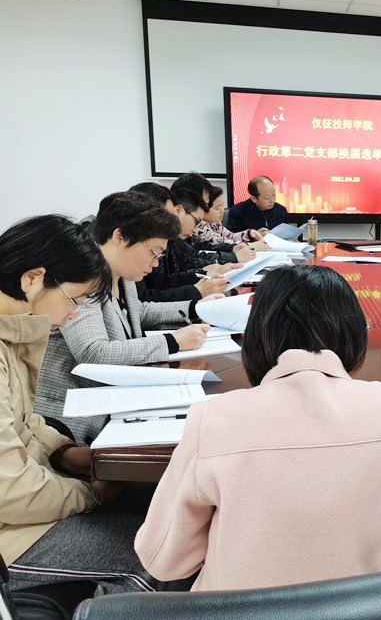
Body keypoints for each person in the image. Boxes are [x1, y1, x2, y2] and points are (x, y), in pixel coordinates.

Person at [135, 265, 381, 592]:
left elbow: (164, 561)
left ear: (256, 335)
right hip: (368, 604)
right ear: (354, 334)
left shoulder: (212, 420)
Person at [0, 215, 185, 599]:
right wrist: (93, 494)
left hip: (22, 504)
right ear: (32, 279)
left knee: (166, 505)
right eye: (75, 300)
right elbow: (10, 489)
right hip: (10, 532)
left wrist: (63, 453)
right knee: (160, 559)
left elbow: (25, 422)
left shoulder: (15, 329)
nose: (73, 314)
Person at [34, 192, 210, 444]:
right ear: (120, 237)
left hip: (115, 400)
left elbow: (138, 311)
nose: (155, 264)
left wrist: (195, 309)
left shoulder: (122, 275)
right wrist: (172, 342)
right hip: (74, 419)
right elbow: (93, 352)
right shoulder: (83, 277)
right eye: (153, 252)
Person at [129, 182, 227, 303]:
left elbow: (166, 280)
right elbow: (145, 300)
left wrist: (205, 274)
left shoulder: (166, 239)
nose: (173, 223)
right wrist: (197, 290)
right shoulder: (134, 247)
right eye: (168, 218)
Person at [194, 185, 267, 247]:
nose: (222, 210)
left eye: (222, 205)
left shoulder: (214, 222)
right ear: (202, 209)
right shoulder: (199, 227)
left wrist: (250, 234)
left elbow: (230, 236)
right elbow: (223, 243)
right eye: (217, 208)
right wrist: (250, 245)